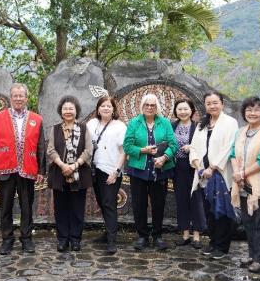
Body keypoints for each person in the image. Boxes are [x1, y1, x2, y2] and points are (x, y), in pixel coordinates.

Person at [0, 83, 46, 255]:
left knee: (26, 207)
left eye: (21, 96)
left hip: (27, 169)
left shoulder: (37, 118)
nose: (18, 98)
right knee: (5, 207)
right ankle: (7, 239)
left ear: (27, 98)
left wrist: (41, 171)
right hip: (4, 168)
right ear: (10, 98)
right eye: (15, 96)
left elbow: (41, 146)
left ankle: (26, 239)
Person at [123, 93, 178, 251]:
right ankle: (142, 236)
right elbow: (127, 146)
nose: (149, 107)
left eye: (153, 105)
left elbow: (173, 144)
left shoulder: (165, 123)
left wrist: (165, 157)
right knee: (139, 205)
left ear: (157, 107)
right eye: (146, 105)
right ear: (142, 106)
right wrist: (142, 150)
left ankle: (157, 236)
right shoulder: (134, 122)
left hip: (160, 170)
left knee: (158, 204)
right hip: (138, 170)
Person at [229, 96, 260, 274]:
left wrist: (242, 173)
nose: (252, 113)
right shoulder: (241, 132)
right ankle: (252, 254)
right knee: (248, 222)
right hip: (242, 185)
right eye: (249, 110)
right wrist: (236, 173)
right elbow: (233, 153)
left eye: (257, 110)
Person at [190, 91, 239, 260]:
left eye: (215, 102)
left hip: (220, 174)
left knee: (222, 211)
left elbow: (229, 147)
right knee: (209, 210)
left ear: (222, 103)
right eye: (209, 103)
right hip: (203, 175)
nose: (212, 106)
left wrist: (213, 167)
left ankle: (222, 246)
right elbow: (194, 147)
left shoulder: (230, 123)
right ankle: (213, 242)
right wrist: (198, 165)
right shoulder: (202, 124)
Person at [47, 96, 92, 252]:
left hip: (79, 173)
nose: (68, 111)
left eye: (71, 108)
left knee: (77, 208)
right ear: (61, 111)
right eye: (65, 109)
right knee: (60, 208)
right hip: (59, 174)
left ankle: (75, 239)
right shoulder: (55, 129)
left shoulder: (84, 128)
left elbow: (88, 150)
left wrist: (74, 165)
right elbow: (51, 149)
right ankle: (62, 239)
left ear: (76, 111)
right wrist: (63, 165)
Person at [86, 96, 126, 254]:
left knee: (109, 203)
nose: (106, 108)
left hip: (111, 170)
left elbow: (124, 151)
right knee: (102, 202)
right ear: (98, 109)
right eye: (103, 106)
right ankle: (107, 232)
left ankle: (112, 240)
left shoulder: (120, 126)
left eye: (109, 106)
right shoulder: (91, 124)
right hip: (95, 169)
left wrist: (116, 172)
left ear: (113, 109)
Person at [171, 98, 205, 249]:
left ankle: (197, 235)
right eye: (179, 109)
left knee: (196, 200)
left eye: (186, 109)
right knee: (181, 199)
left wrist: (191, 147)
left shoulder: (198, 127)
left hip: (194, 166)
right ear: (175, 111)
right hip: (177, 167)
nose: (183, 112)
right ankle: (185, 233)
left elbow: (204, 146)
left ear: (191, 110)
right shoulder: (172, 126)